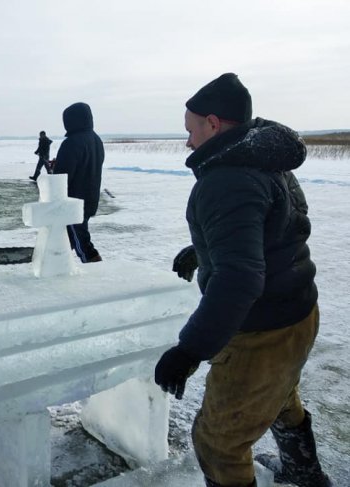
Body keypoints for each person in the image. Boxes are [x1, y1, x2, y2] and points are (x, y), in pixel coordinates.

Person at [155, 73, 331, 487]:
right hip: (297, 312)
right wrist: (206, 249)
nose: (188, 143)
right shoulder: (264, 157)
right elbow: (273, 226)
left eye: (191, 130)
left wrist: (189, 350)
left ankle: (303, 473)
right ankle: (304, 472)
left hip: (262, 329)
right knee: (280, 395)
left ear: (213, 124)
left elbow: (239, 280)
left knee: (219, 441)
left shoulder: (226, 179)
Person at [53, 102, 104, 263]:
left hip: (73, 201)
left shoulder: (72, 142)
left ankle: (95, 266)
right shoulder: (96, 140)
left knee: (82, 241)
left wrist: (55, 167)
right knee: (69, 238)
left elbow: (61, 176)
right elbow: (86, 165)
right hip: (90, 196)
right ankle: (59, 264)